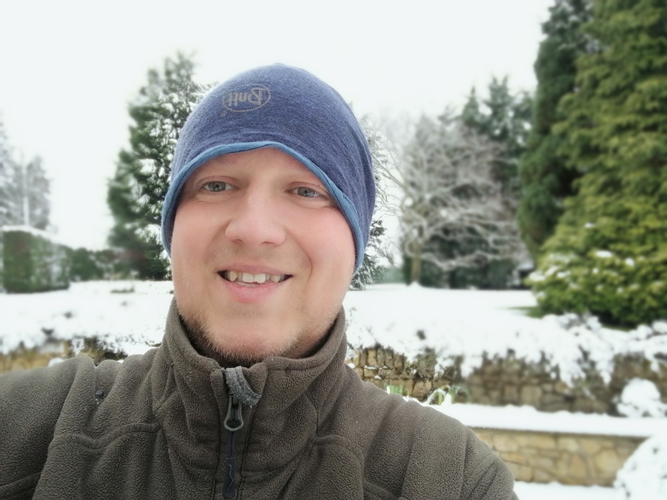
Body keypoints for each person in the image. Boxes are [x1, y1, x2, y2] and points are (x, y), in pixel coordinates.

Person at [0, 65, 517, 499]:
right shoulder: (23, 428)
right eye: (216, 185)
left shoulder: (452, 478)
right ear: (173, 230)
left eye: (307, 190)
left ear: (354, 243)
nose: (253, 228)